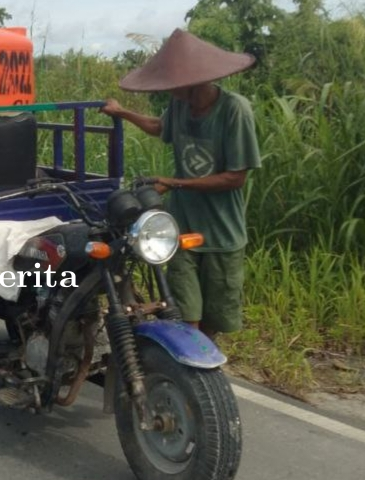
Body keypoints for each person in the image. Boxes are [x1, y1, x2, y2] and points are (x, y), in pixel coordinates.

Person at [100, 29, 262, 339]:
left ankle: (203, 376)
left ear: (194, 81)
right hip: (183, 229)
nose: (170, 91)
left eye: (174, 85)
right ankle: (188, 369)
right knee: (187, 315)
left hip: (221, 233)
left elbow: (235, 177)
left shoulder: (234, 111)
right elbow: (160, 127)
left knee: (214, 321)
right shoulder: (179, 107)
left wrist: (174, 183)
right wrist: (122, 113)